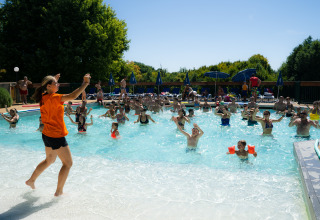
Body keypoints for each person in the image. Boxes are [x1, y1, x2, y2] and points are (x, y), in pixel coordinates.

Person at [25, 73, 91, 197]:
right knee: (68, 164)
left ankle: (31, 180)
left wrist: (54, 80)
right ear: (49, 86)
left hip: (46, 134)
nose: (58, 84)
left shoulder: (43, 97)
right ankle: (59, 192)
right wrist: (85, 83)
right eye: (56, 83)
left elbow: (49, 88)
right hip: (56, 136)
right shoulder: (56, 98)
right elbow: (73, 95)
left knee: (49, 160)